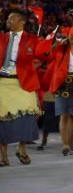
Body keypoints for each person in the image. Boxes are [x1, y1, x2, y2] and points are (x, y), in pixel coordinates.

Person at [0, 10, 42, 166]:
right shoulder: (1, 38)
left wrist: (50, 46)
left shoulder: (33, 39)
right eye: (8, 18)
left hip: (24, 83)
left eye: (12, 18)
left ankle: (21, 148)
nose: (8, 20)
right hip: (3, 83)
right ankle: (3, 156)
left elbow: (44, 55)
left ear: (22, 22)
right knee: (1, 120)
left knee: (27, 117)